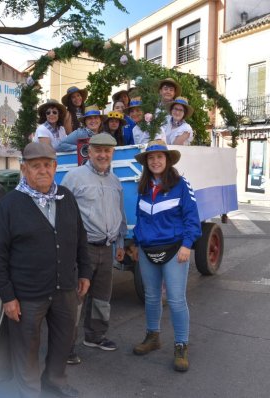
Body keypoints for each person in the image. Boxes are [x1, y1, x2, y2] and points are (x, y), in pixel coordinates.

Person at [0, 142, 91, 398]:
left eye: (47, 164)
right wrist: (7, 296)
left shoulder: (66, 197)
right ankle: (30, 391)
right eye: (36, 166)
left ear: (55, 167)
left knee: (64, 340)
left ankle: (55, 380)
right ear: (24, 169)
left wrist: (85, 272)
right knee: (26, 348)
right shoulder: (10, 204)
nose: (43, 170)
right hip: (27, 295)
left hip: (65, 288)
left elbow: (80, 238)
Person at [131, 139, 201, 373]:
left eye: (160, 157)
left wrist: (187, 245)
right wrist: (136, 242)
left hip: (175, 250)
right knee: (151, 296)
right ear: (146, 163)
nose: (155, 161)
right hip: (147, 249)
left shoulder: (181, 185)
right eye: (151, 158)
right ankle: (153, 337)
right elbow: (140, 218)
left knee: (176, 299)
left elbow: (192, 218)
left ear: (168, 160)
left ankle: (181, 345)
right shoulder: (142, 187)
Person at [61, 133, 127, 363]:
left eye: (107, 151)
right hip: (82, 249)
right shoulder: (74, 177)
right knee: (76, 298)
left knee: (101, 296)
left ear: (112, 154)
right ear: (89, 151)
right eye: (98, 150)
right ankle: (65, 346)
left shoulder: (115, 181)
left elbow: (120, 213)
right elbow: (61, 213)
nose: (102, 154)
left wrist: (120, 242)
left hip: (106, 248)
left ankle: (95, 336)